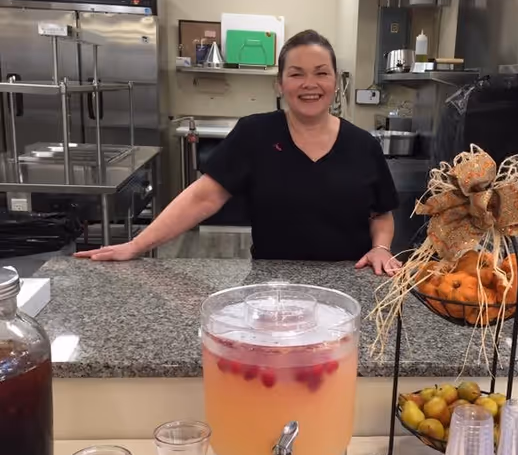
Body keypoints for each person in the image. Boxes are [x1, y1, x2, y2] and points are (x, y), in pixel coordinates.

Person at [75, 29, 401, 275]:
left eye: (321, 72)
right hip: (271, 284)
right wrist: (136, 246)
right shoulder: (255, 133)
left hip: (348, 282)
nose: (309, 83)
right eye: (296, 74)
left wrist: (381, 249)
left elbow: (381, 214)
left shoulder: (363, 145)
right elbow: (203, 197)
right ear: (280, 83)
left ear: (334, 81)